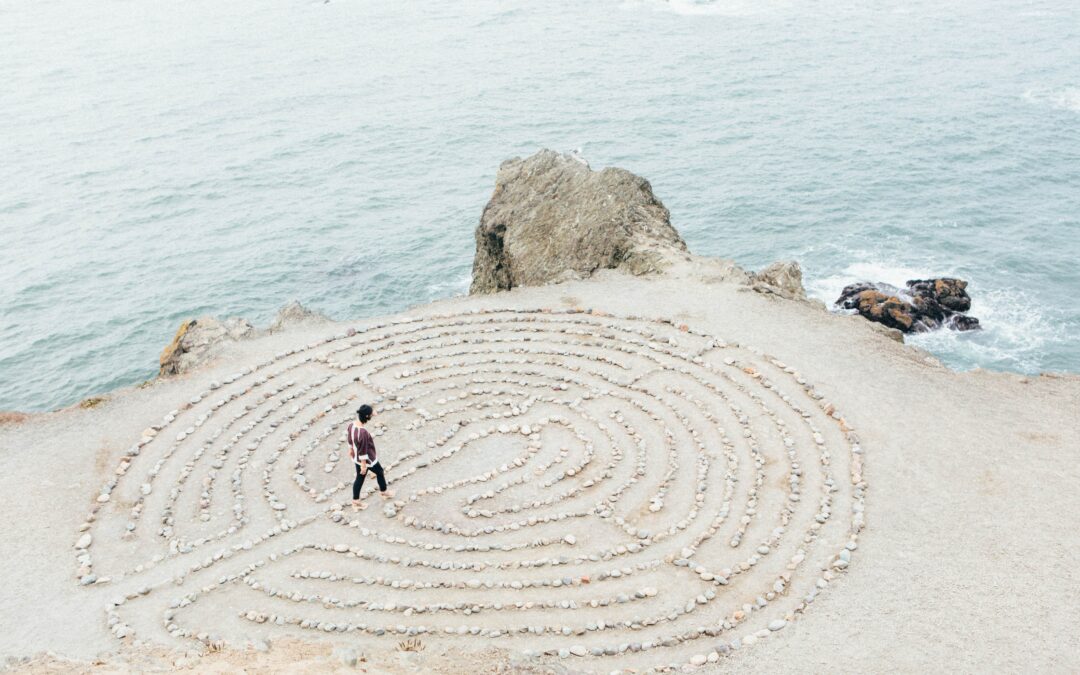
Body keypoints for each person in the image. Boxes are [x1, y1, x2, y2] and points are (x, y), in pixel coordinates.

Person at [347, 404, 393, 510]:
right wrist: (364, 465)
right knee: (380, 471)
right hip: (367, 459)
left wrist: (350, 450)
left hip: (356, 457)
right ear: (367, 416)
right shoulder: (362, 433)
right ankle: (384, 491)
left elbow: (349, 439)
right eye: (371, 414)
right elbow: (363, 450)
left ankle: (356, 501)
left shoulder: (351, 425)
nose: (372, 415)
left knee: (360, 478)